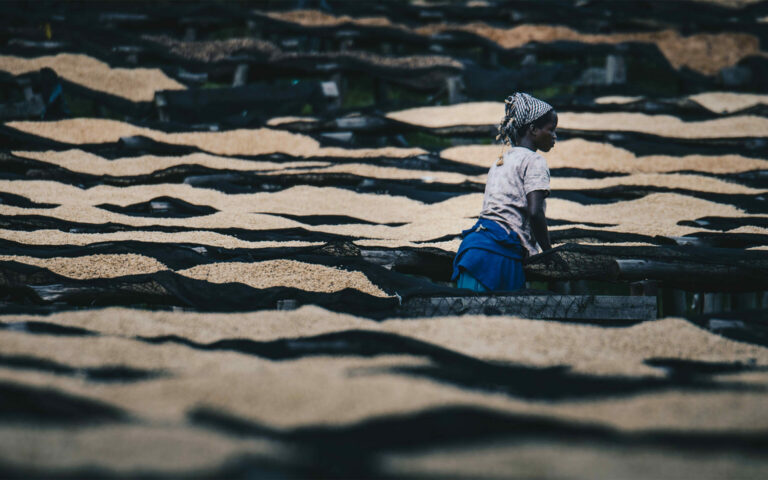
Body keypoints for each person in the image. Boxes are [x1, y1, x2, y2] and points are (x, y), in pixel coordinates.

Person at [451, 92, 557, 292]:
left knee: (467, 319)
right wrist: (548, 252)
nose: (554, 136)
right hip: (498, 256)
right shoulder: (534, 161)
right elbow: (535, 212)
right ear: (533, 129)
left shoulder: (500, 161)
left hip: (472, 249)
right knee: (499, 320)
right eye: (551, 130)